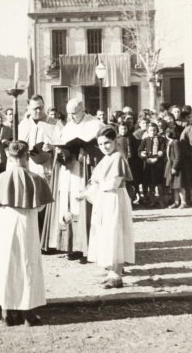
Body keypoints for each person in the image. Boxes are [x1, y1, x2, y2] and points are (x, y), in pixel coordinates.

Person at [0, 141, 54, 326]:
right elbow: (39, 207)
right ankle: (28, 312)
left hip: (5, 222)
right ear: (26, 157)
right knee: (27, 263)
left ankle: (7, 310)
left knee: (6, 264)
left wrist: (4, 212)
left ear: (8, 156)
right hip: (27, 222)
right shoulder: (36, 179)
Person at [43, 98, 104, 262]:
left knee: (84, 205)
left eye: (74, 113)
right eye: (69, 113)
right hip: (68, 171)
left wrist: (87, 149)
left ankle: (87, 248)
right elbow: (62, 144)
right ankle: (71, 246)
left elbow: (103, 146)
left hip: (85, 171)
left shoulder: (95, 124)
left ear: (83, 110)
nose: (70, 117)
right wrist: (57, 149)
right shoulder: (68, 126)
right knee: (68, 205)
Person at [79, 126, 135, 289]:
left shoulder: (118, 157)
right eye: (101, 144)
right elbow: (97, 180)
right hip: (105, 199)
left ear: (115, 141)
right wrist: (88, 190)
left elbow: (114, 183)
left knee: (115, 233)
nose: (104, 147)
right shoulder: (107, 158)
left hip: (115, 197)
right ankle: (111, 271)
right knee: (107, 234)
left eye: (107, 143)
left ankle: (117, 275)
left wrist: (89, 191)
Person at [138, 123, 165, 208]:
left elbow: (163, 150)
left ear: (157, 130)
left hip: (158, 164)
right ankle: (152, 200)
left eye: (154, 130)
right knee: (151, 183)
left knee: (159, 183)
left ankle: (161, 200)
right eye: (150, 130)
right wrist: (145, 157)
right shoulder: (145, 140)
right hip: (148, 164)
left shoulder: (161, 139)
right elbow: (139, 151)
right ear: (147, 131)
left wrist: (157, 158)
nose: (152, 132)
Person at [116, 121, 141, 202]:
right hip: (120, 162)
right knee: (122, 182)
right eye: (121, 129)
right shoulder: (116, 138)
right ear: (118, 129)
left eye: (125, 129)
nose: (123, 130)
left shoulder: (131, 137)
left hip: (131, 163)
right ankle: (122, 200)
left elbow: (136, 149)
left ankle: (131, 199)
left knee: (130, 182)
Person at [164, 126, 188, 209]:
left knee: (180, 185)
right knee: (174, 186)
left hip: (177, 167)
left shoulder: (176, 142)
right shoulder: (170, 142)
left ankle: (184, 202)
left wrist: (174, 167)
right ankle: (176, 202)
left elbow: (178, 156)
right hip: (171, 165)